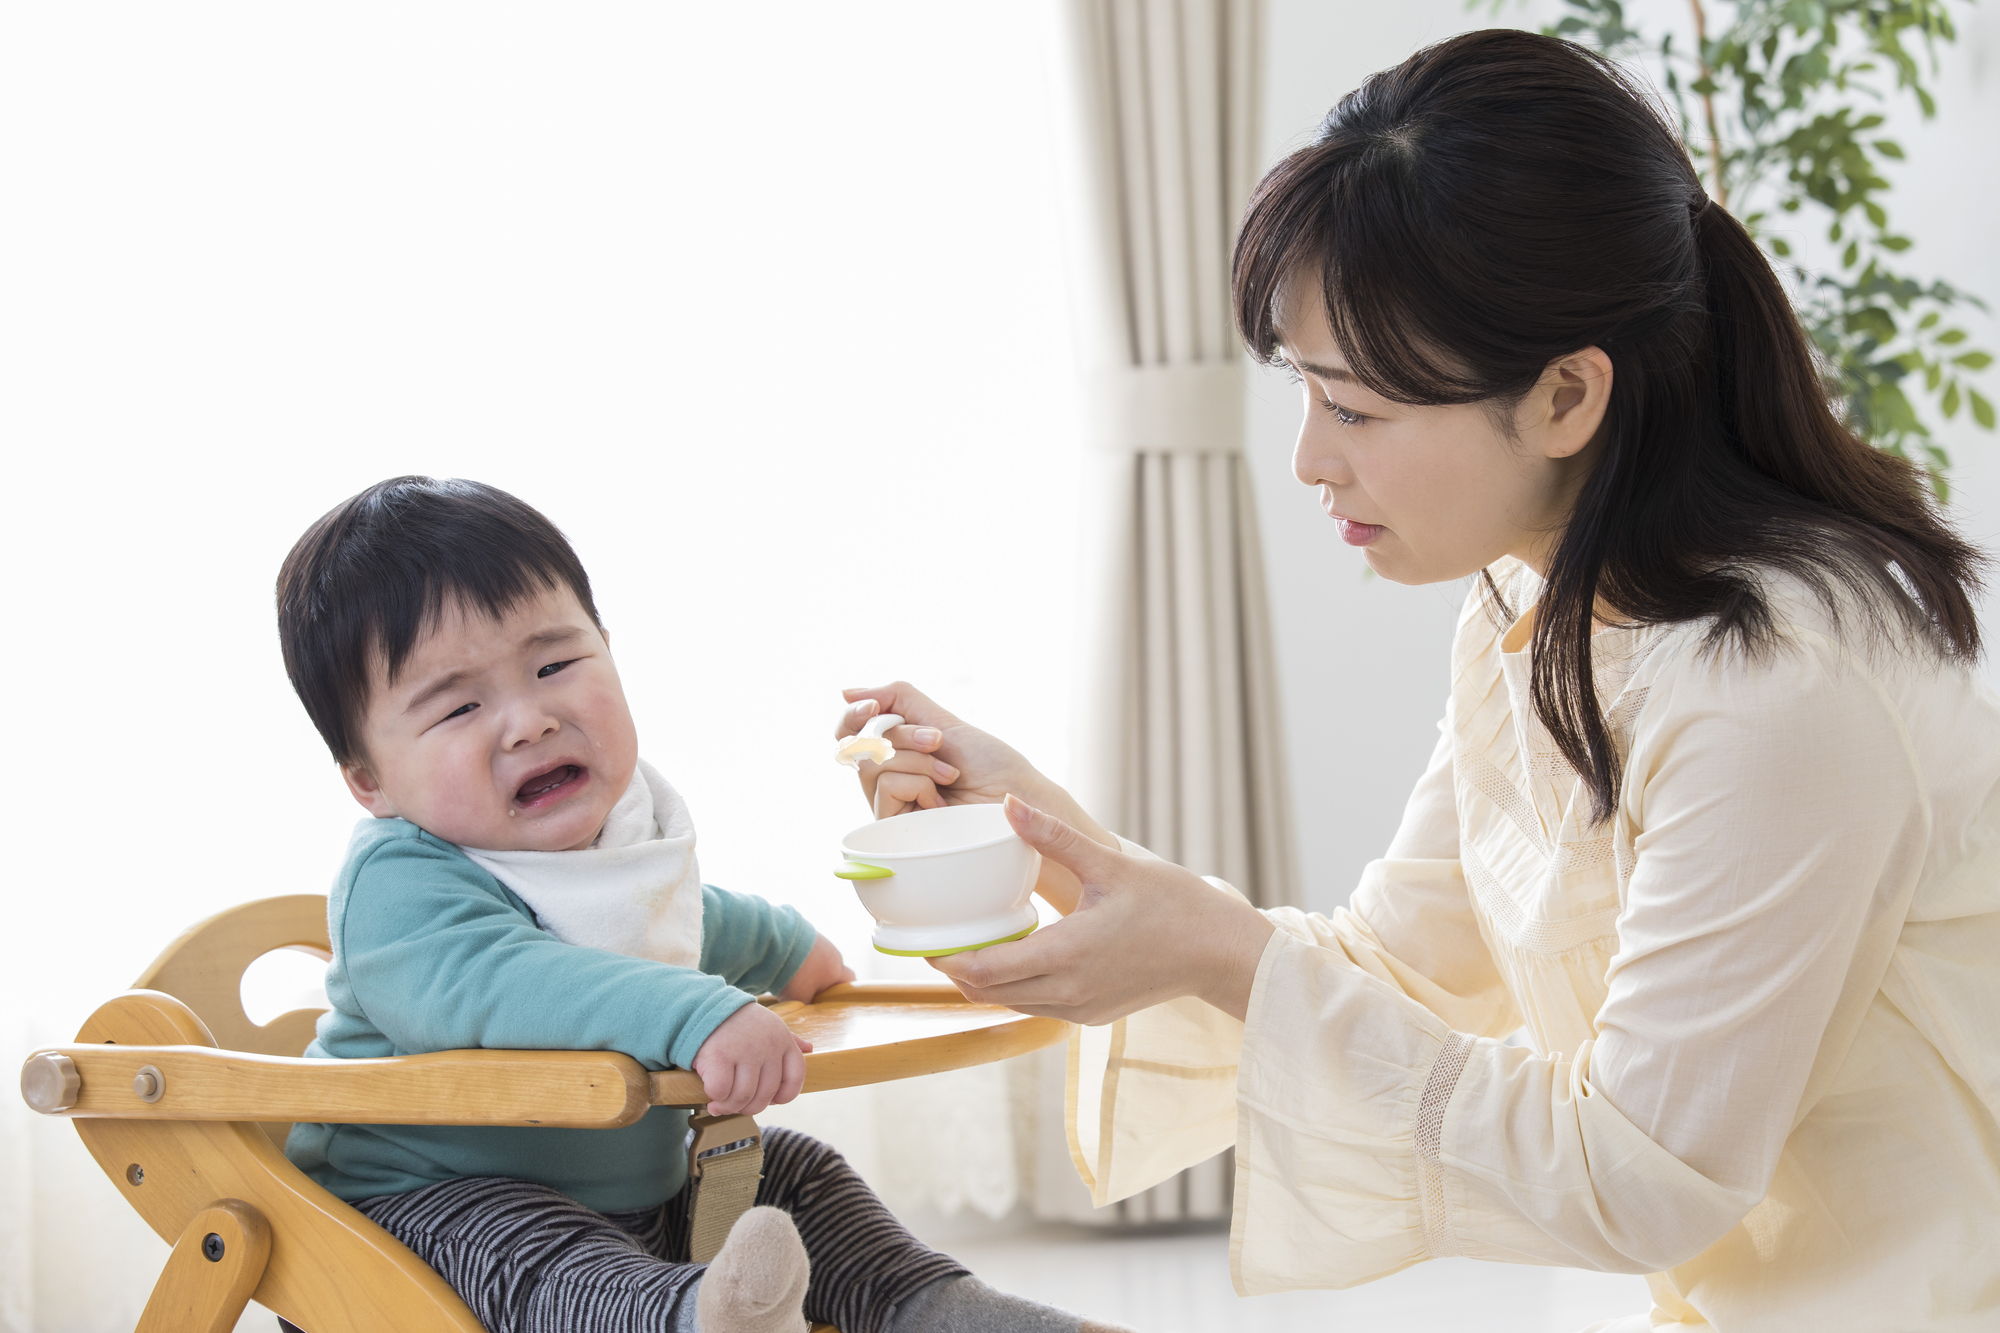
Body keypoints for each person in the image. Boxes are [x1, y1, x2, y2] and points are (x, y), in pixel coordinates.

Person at [835, 29, 2000, 1333]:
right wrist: (1051, 835)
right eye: (1306, 394)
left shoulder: (1782, 683)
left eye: (1356, 408)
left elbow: (1637, 1177)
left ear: (1567, 396)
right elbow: (1403, 962)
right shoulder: (1536, 594)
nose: (1308, 463)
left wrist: (1214, 955)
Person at [275, 476, 1130, 1333]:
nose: (528, 720)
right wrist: (698, 1012)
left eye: (555, 664)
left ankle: (947, 1310)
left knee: (793, 1175)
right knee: (537, 1250)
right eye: (460, 705)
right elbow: (506, 981)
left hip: (637, 1190)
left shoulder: (614, 832)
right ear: (369, 780)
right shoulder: (398, 884)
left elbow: (676, 923)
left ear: (608, 647)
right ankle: (698, 1319)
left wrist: (782, 948)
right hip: (411, 1210)